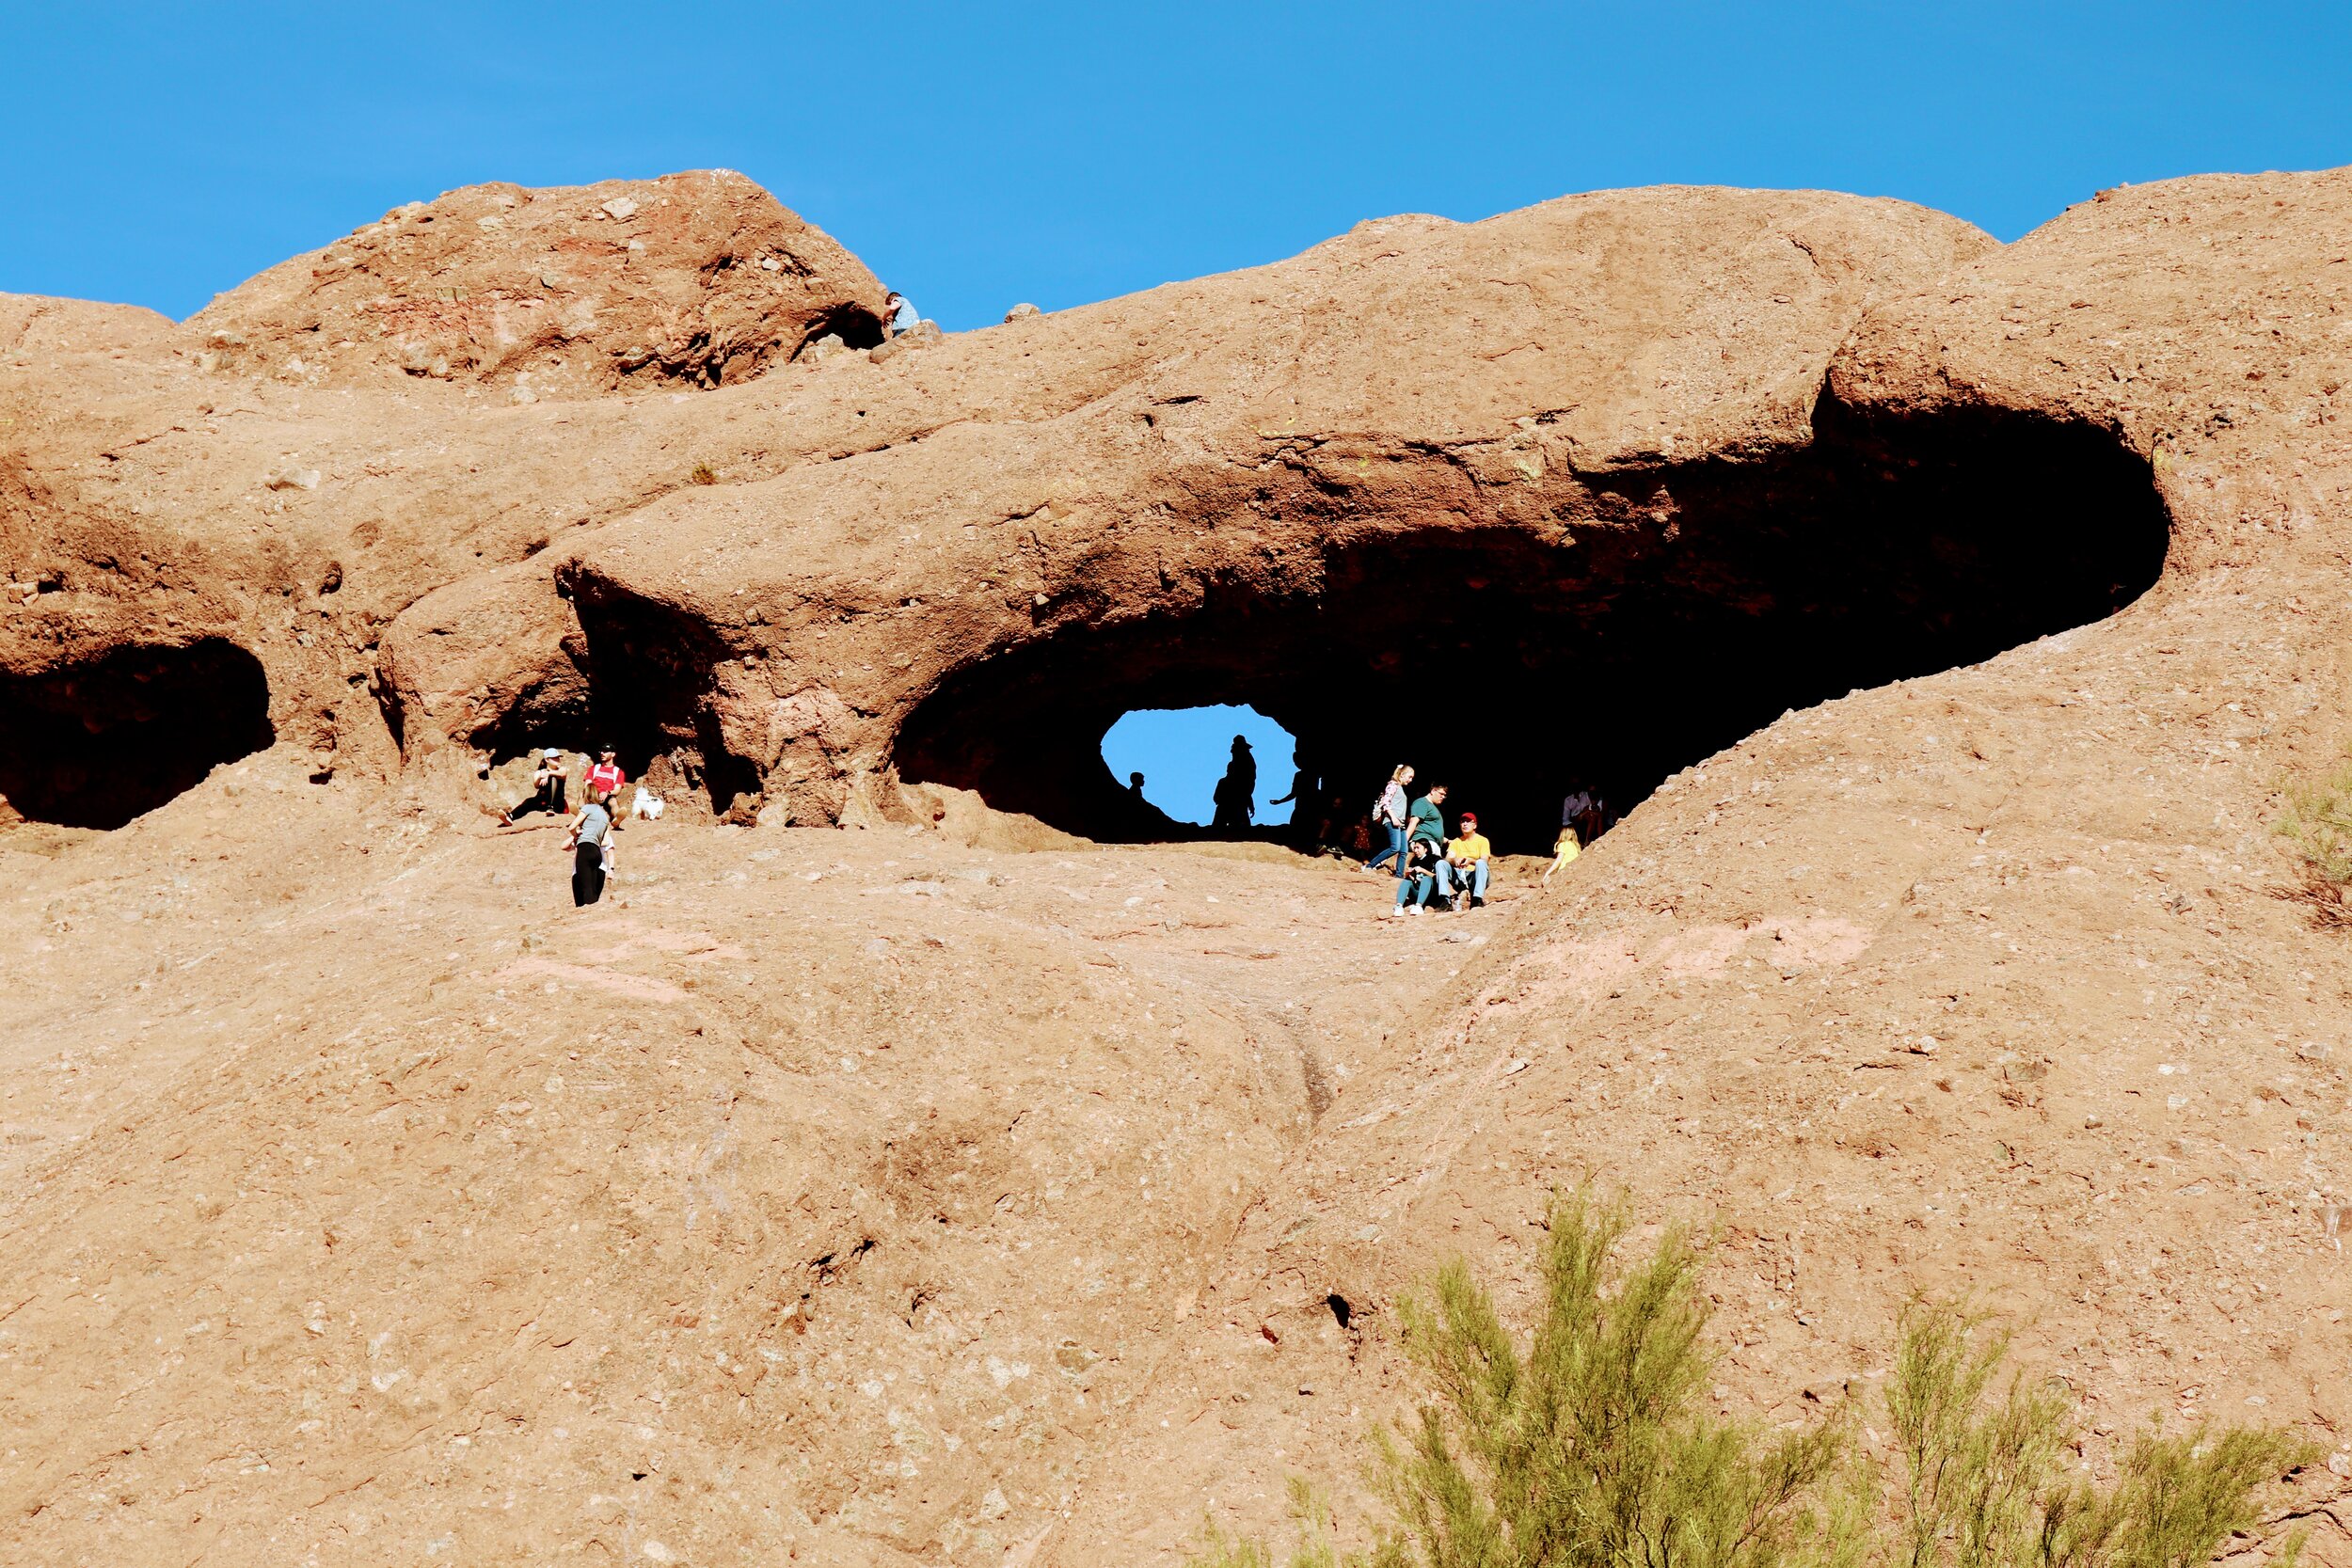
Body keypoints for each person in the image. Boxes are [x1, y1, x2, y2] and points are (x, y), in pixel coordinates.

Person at [564, 787, 615, 907]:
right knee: (592, 887)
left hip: (585, 849)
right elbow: (606, 841)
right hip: (596, 851)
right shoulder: (604, 816)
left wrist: (577, 835)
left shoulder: (587, 808)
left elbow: (571, 827)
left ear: (586, 796)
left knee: (585, 889)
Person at [1437, 811, 1492, 911]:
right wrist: (1455, 860)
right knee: (1441, 863)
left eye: (1468, 821)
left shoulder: (1483, 841)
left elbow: (1485, 861)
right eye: (1462, 822)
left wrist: (1470, 861)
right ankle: (1445, 900)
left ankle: (1477, 899)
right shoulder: (1456, 842)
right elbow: (1449, 858)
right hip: (1460, 876)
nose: (1465, 824)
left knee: (1480, 863)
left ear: (1475, 825)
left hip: (1475, 876)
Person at [500, 747, 568, 825]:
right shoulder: (540, 772)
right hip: (542, 801)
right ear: (547, 760)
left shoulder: (562, 769)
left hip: (557, 803)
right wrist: (541, 777)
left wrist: (548, 774)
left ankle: (550, 807)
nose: (557, 759)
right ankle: (510, 817)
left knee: (553, 778)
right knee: (528, 802)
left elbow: (562, 774)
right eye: (554, 758)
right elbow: (536, 785)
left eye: (558, 757)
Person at [1366, 764, 1414, 874]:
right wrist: (1393, 818)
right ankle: (1370, 865)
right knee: (1395, 848)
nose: (1410, 780)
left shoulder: (1400, 788)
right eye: (1409, 777)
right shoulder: (1393, 785)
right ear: (1402, 775)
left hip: (1400, 823)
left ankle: (1399, 875)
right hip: (1393, 821)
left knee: (1403, 851)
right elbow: (1385, 803)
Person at [1210, 736, 1257, 832]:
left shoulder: (1245, 760)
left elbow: (1247, 783)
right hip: (1239, 797)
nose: (1232, 753)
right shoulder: (1244, 758)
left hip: (1239, 797)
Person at [1390, 833, 1440, 917]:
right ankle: (1399, 906)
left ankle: (1419, 906)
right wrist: (1409, 875)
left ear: (1426, 849)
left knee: (1426, 879)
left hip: (1431, 892)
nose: (1415, 850)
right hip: (1417, 890)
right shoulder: (1414, 860)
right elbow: (1413, 879)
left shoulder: (1434, 859)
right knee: (1406, 881)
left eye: (1418, 848)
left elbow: (1437, 877)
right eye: (1415, 848)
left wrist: (1423, 870)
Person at [1407, 783, 1449, 848]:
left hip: (1432, 844)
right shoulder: (1422, 802)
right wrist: (1403, 844)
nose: (1443, 797)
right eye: (1441, 794)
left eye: (1445, 795)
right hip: (1424, 843)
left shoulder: (1433, 807)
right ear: (1433, 791)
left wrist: (1447, 841)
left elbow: (1431, 830)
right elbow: (1413, 822)